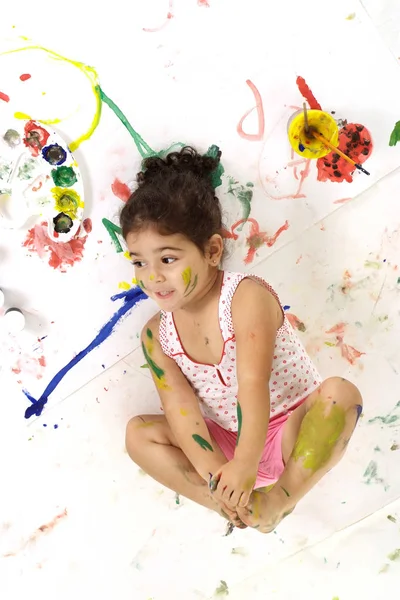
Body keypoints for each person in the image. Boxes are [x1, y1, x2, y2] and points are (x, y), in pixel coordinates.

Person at [121, 146, 363, 533]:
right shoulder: (157, 335)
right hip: (227, 443)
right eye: (138, 261)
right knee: (139, 435)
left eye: (167, 259)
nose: (151, 277)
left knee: (340, 394)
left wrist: (248, 463)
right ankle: (231, 507)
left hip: (291, 433)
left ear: (212, 250)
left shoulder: (244, 297)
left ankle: (278, 499)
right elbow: (180, 411)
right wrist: (218, 476)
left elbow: (252, 386)